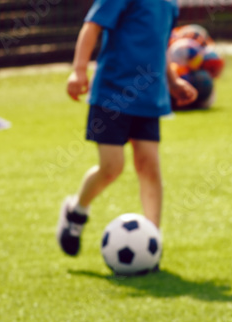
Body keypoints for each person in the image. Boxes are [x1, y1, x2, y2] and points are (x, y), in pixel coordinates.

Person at [57, 0, 196, 259]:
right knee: (112, 167)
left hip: (150, 99)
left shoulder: (169, 4)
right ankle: (76, 212)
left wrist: (173, 81)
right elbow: (92, 26)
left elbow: (160, 44)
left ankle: (152, 239)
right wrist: (78, 71)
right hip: (113, 94)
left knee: (149, 167)